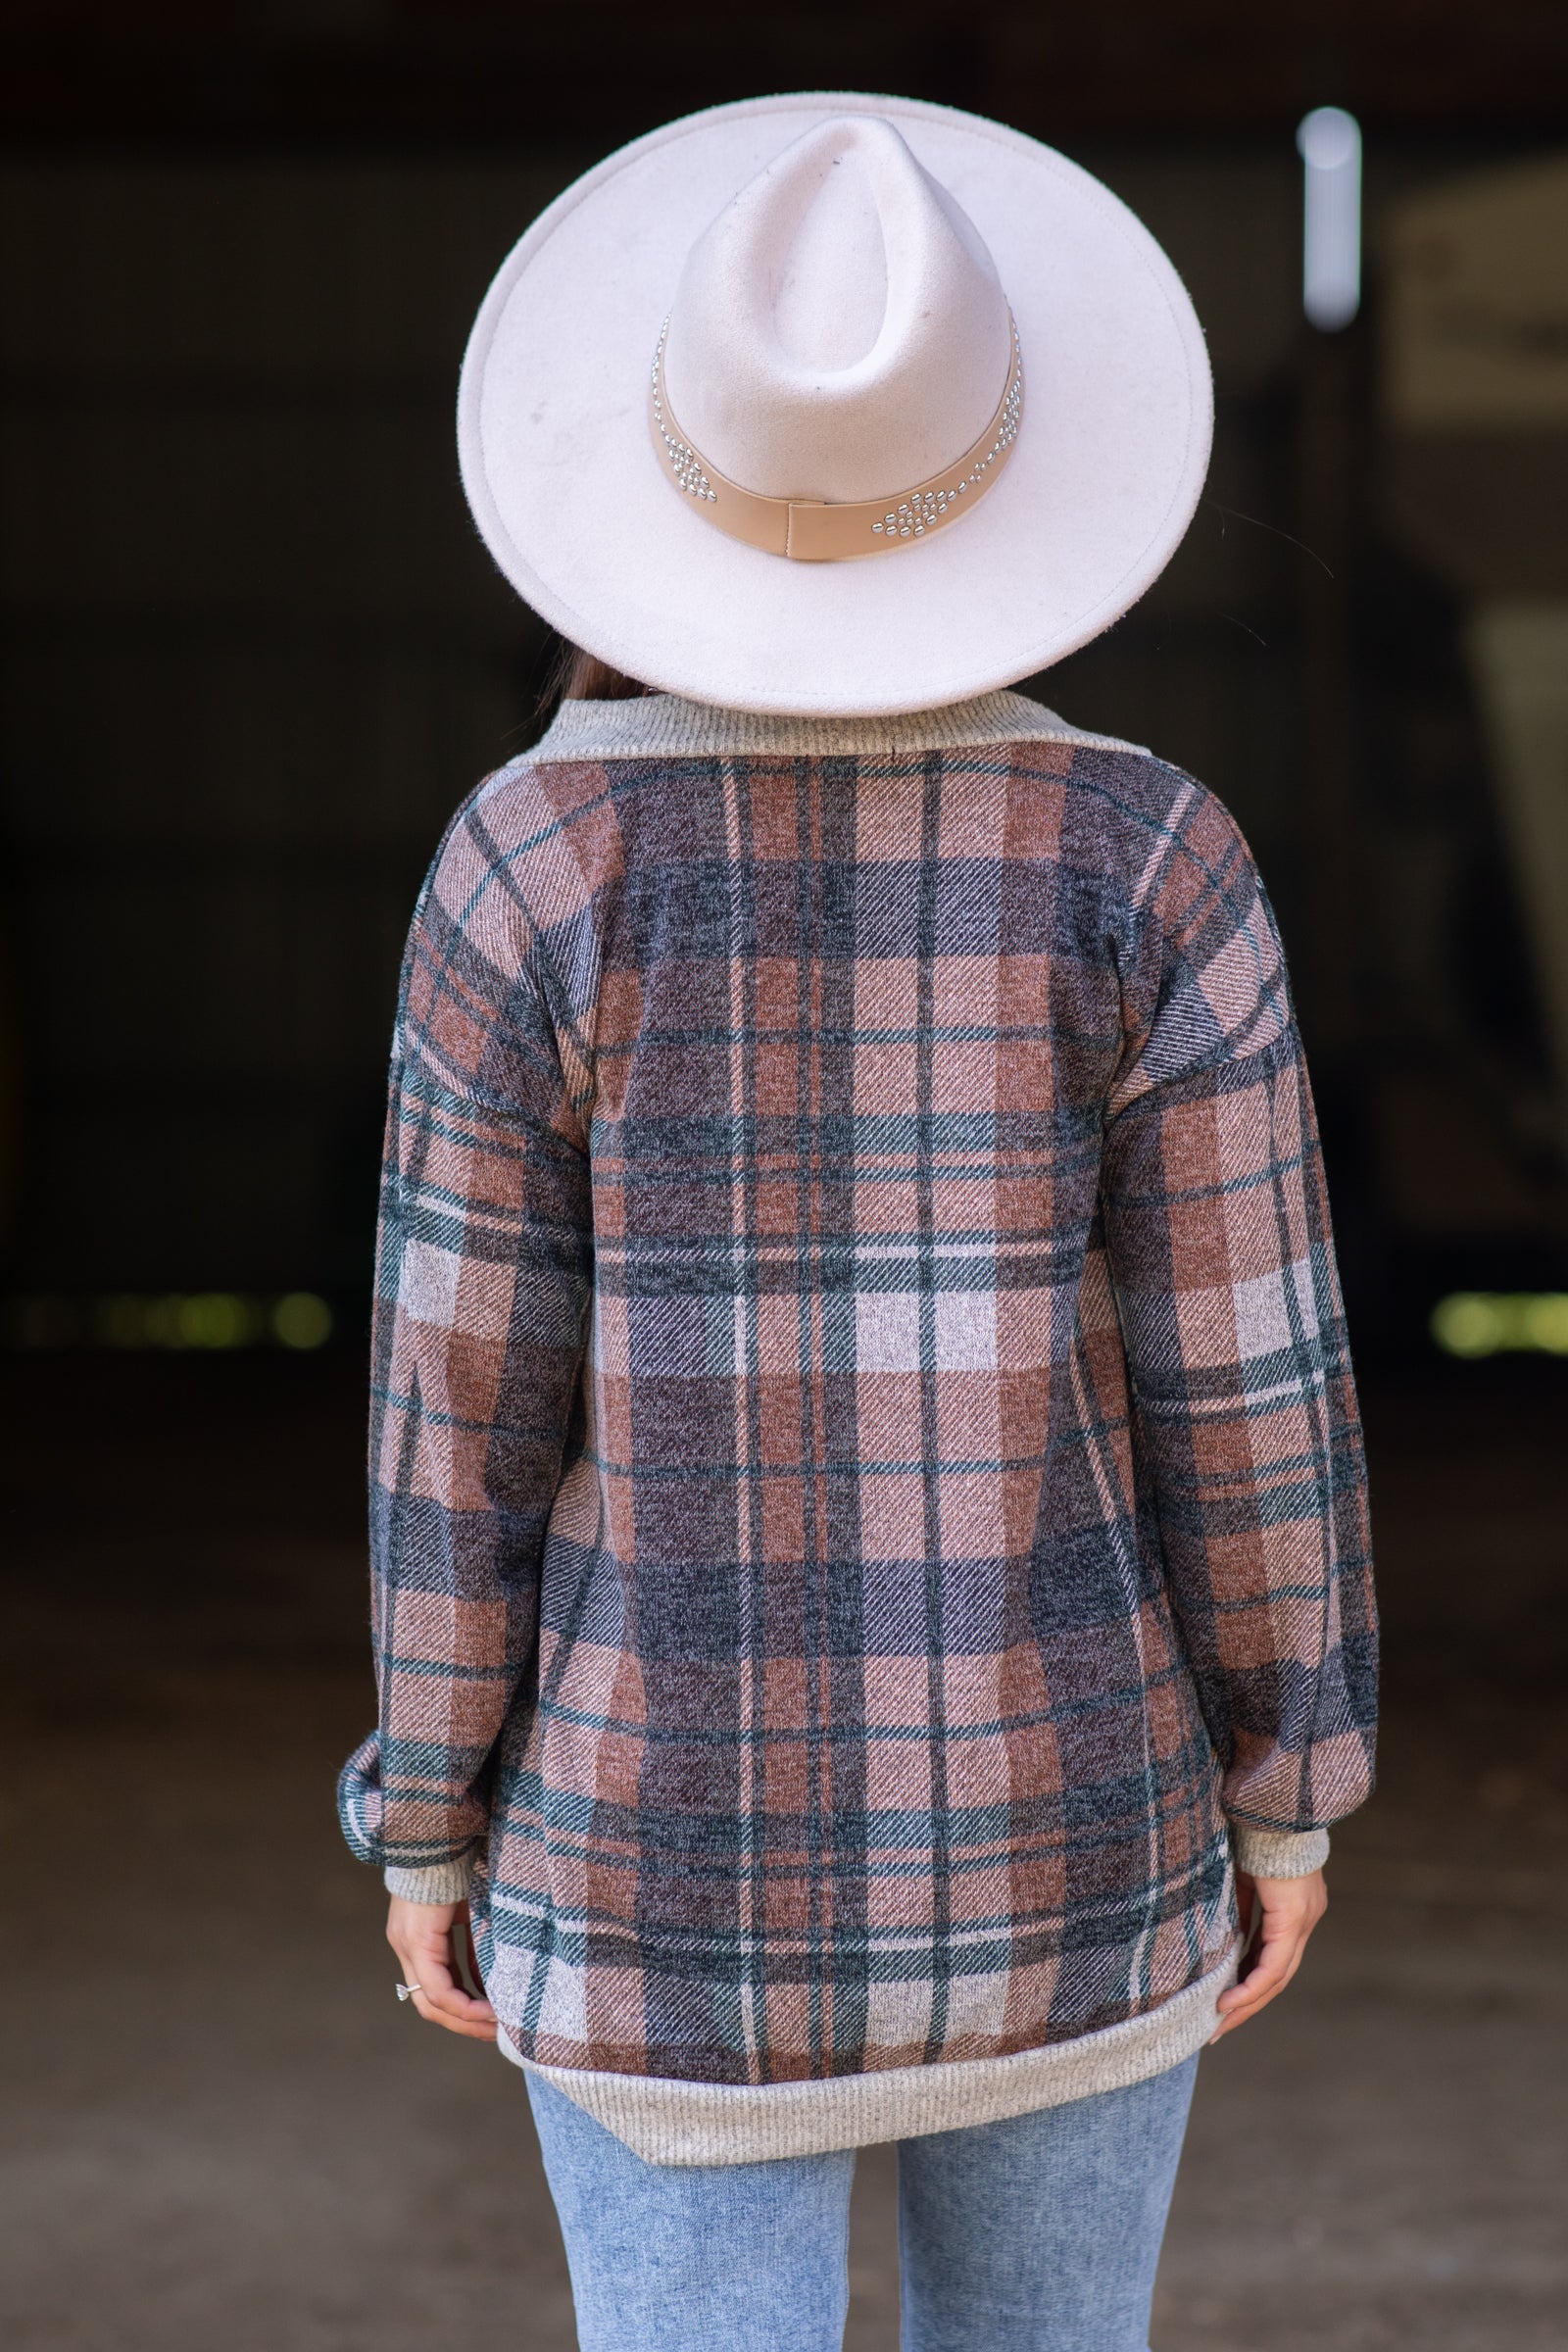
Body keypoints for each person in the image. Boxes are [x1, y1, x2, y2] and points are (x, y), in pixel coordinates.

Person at [337, 92, 1377, 2352]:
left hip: (649, 1875)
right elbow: (1248, 1387)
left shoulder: (526, 865)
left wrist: (427, 1819)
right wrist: (1288, 1790)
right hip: (1067, 1846)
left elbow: (453, 1420)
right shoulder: (1148, 858)